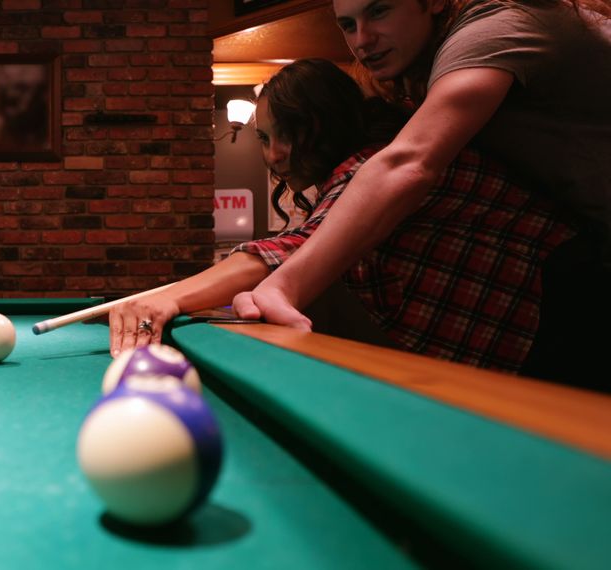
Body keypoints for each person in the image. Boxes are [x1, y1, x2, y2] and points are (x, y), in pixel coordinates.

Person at [108, 59, 577, 380]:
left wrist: (163, 301)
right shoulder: (360, 165)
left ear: (323, 122)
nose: (275, 156)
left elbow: (293, 250)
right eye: (265, 139)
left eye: (287, 136)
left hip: (573, 316)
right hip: (529, 329)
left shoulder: (374, 162)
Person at [232, 0, 610, 387]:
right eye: (347, 25)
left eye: (379, 11)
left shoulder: (494, 29)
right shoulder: (430, 66)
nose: (362, 39)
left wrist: (283, 285)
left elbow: (408, 163)